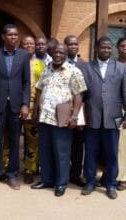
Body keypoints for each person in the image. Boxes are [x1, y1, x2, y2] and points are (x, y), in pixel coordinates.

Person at [31, 43, 87, 197]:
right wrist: (36, 111)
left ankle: (61, 183)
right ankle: (47, 179)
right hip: (45, 117)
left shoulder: (74, 71)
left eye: (61, 53)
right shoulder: (47, 68)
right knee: (45, 151)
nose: (57, 55)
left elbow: (78, 94)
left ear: (66, 54)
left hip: (62, 119)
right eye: (55, 52)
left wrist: (75, 116)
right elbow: (39, 89)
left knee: (61, 152)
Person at [0, 24, 30, 190]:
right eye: (10, 35)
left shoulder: (24, 56)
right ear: (3, 37)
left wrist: (26, 104)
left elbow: (26, 82)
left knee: (14, 141)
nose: (14, 37)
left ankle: (12, 174)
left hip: (17, 106)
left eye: (16, 35)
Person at [81, 37, 126, 199]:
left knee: (111, 153)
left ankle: (111, 184)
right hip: (92, 117)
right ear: (96, 49)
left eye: (108, 48)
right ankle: (90, 182)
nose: (106, 50)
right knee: (91, 152)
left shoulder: (121, 68)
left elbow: (125, 93)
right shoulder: (86, 67)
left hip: (113, 118)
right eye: (103, 48)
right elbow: (81, 94)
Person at [20, 35, 45, 184]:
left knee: (32, 140)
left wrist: (37, 108)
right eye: (26, 43)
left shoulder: (41, 64)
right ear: (21, 46)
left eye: (32, 43)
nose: (29, 45)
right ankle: (7, 167)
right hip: (16, 107)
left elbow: (42, 88)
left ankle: (29, 169)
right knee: (9, 138)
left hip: (33, 107)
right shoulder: (15, 62)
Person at [64, 35, 87, 187]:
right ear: (65, 46)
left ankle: (75, 174)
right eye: (70, 44)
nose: (73, 46)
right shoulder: (59, 62)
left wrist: (81, 114)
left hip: (80, 109)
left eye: (75, 44)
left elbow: (87, 90)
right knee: (63, 142)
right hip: (62, 109)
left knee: (78, 145)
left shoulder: (85, 65)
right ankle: (62, 173)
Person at [117, 37, 126, 191]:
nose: (125, 48)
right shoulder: (114, 65)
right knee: (120, 146)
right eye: (122, 46)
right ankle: (121, 177)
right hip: (118, 109)